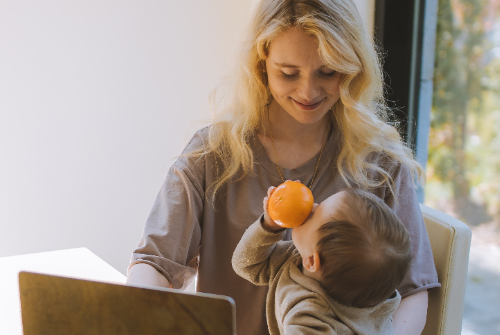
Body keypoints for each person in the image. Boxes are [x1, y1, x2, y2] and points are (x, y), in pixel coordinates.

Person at [126, 1, 440, 334]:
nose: (308, 91)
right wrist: (132, 313)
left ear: (352, 68)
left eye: (328, 71)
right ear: (261, 65)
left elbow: (412, 291)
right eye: (288, 73)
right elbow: (155, 262)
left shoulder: (380, 163)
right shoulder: (212, 154)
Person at [232, 187, 412, 335]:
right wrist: (269, 226)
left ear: (312, 261)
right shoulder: (370, 290)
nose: (312, 205)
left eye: (313, 215)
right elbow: (247, 263)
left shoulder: (309, 317)